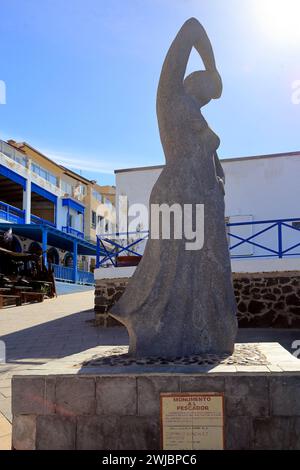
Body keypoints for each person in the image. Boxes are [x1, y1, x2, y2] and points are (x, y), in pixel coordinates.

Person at [111, 18, 237, 357]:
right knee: (169, 269)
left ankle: (204, 337)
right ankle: (151, 330)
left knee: (207, 269)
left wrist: (219, 179)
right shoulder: (171, 98)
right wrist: (215, 69)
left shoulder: (197, 111)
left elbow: (211, 152)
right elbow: (193, 28)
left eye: (212, 94)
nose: (208, 95)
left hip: (205, 198)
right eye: (207, 87)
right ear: (191, 78)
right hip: (177, 196)